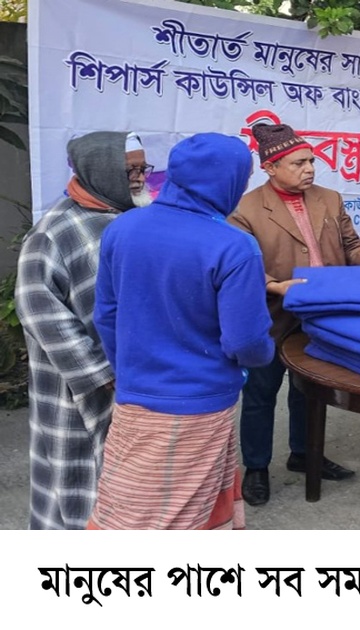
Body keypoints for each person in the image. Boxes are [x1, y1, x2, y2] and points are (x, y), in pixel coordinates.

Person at [89, 133, 275, 529]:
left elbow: (106, 314)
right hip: (199, 404)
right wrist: (264, 354)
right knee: (179, 518)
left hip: (135, 400)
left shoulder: (123, 228)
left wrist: (132, 371)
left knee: (127, 508)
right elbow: (246, 341)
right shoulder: (234, 246)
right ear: (229, 181)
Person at [230, 122, 360, 507]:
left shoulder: (330, 199)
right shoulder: (245, 210)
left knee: (310, 391)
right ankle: (256, 467)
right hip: (271, 318)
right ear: (270, 167)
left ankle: (305, 454)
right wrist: (275, 285)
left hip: (322, 317)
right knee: (260, 395)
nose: (309, 169)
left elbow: (351, 245)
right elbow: (241, 266)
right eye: (299, 163)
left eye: (311, 161)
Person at [17, 131, 149, 530]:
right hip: (77, 386)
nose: (140, 178)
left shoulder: (135, 218)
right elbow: (39, 310)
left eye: (143, 168)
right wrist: (100, 374)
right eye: (130, 170)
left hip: (134, 381)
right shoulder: (54, 230)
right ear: (100, 170)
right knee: (73, 476)